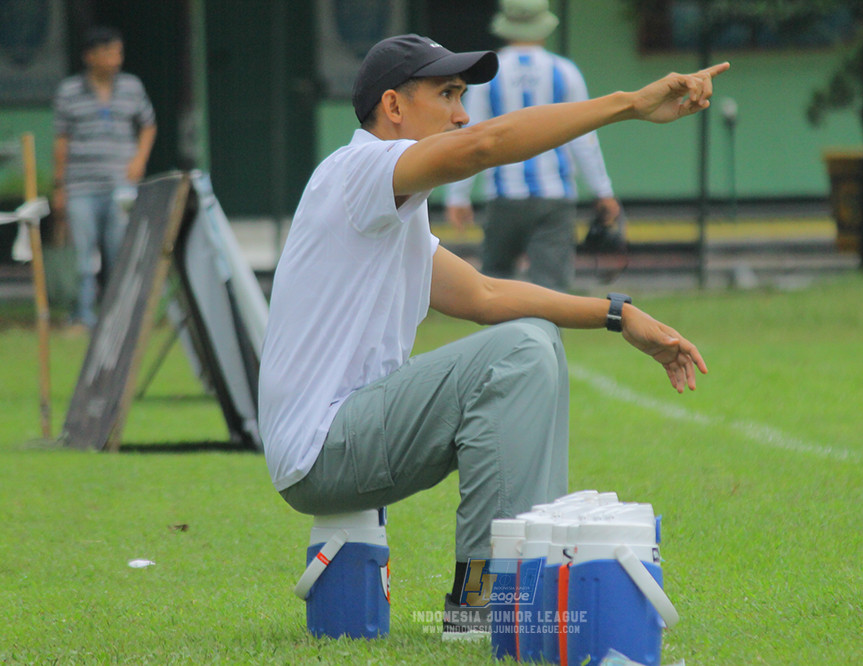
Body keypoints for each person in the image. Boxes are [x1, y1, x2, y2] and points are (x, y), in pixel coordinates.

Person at [259, 33, 726, 638]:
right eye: (448, 93)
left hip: (336, 445)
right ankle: (489, 605)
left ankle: (512, 591)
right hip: (324, 447)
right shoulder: (358, 170)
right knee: (522, 349)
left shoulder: (384, 209)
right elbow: (485, 146)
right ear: (394, 107)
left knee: (529, 340)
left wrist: (618, 313)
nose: (462, 112)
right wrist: (629, 104)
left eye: (463, 95)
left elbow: (484, 296)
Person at [444, 0, 621, 291]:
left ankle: (505, 338)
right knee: (552, 288)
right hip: (555, 195)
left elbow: (471, 135)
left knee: (495, 287)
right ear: (544, 25)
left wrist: (458, 196)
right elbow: (584, 138)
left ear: (505, 26)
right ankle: (546, 337)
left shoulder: (488, 75)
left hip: (503, 196)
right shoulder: (564, 71)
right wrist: (603, 192)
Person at [52, 26, 157, 330]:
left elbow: (149, 125)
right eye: (108, 52)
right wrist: (59, 187)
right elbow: (61, 141)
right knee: (83, 255)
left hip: (121, 185)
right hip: (81, 185)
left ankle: (117, 317)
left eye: (118, 52)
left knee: (119, 251)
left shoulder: (132, 87)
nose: (115, 58)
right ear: (90, 57)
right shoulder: (69, 92)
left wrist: (139, 159)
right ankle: (83, 315)